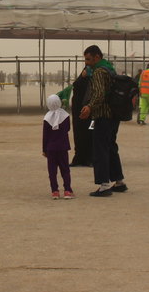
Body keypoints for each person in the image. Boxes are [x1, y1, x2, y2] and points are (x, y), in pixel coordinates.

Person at [79, 45, 127, 196]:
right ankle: (119, 181)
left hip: (102, 116)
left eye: (88, 59)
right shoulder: (109, 69)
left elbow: (99, 94)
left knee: (100, 149)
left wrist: (89, 107)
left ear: (97, 57)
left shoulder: (99, 72)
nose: (86, 62)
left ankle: (104, 184)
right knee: (111, 147)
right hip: (113, 116)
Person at [42, 94, 73, 199]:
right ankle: (67, 190)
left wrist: (44, 149)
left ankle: (54, 191)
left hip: (51, 148)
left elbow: (45, 135)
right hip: (63, 147)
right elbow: (68, 129)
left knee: (52, 171)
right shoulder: (65, 116)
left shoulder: (47, 118)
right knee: (65, 169)